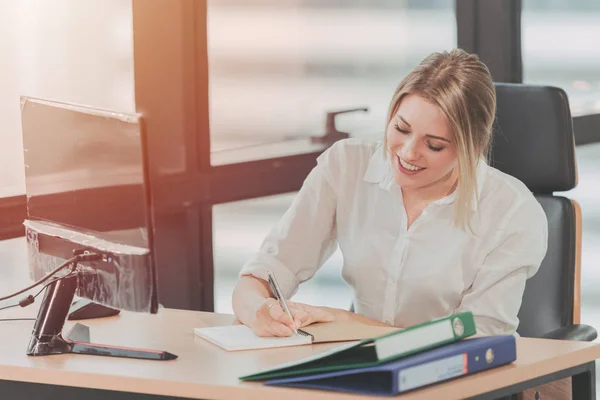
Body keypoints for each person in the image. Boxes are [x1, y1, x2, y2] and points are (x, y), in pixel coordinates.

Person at [231, 49, 548, 338]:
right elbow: (269, 268)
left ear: (472, 146)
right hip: (364, 365)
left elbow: (479, 335)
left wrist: (347, 323)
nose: (408, 153)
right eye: (402, 129)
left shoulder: (512, 211)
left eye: (434, 144)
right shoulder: (346, 166)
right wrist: (259, 310)